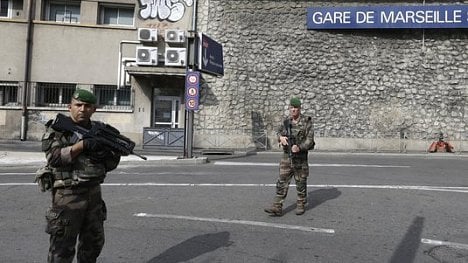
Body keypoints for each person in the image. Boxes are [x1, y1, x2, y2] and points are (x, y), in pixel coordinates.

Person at [39, 89, 121, 262]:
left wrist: (103, 152)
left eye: (87, 106)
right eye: (79, 105)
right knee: (61, 249)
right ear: (70, 107)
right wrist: (82, 145)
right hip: (67, 195)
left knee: (93, 245)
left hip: (93, 194)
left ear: (94, 109)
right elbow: (54, 158)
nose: (83, 109)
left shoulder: (101, 132)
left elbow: (109, 165)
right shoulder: (59, 130)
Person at [264, 97, 315, 216]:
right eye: (291, 108)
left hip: (300, 158)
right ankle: (277, 206)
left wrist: (299, 147)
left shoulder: (307, 122)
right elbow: (278, 132)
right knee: (282, 181)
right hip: (286, 157)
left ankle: (301, 203)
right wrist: (280, 138)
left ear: (300, 108)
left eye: (295, 108)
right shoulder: (286, 122)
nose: (293, 110)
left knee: (300, 182)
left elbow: (310, 140)